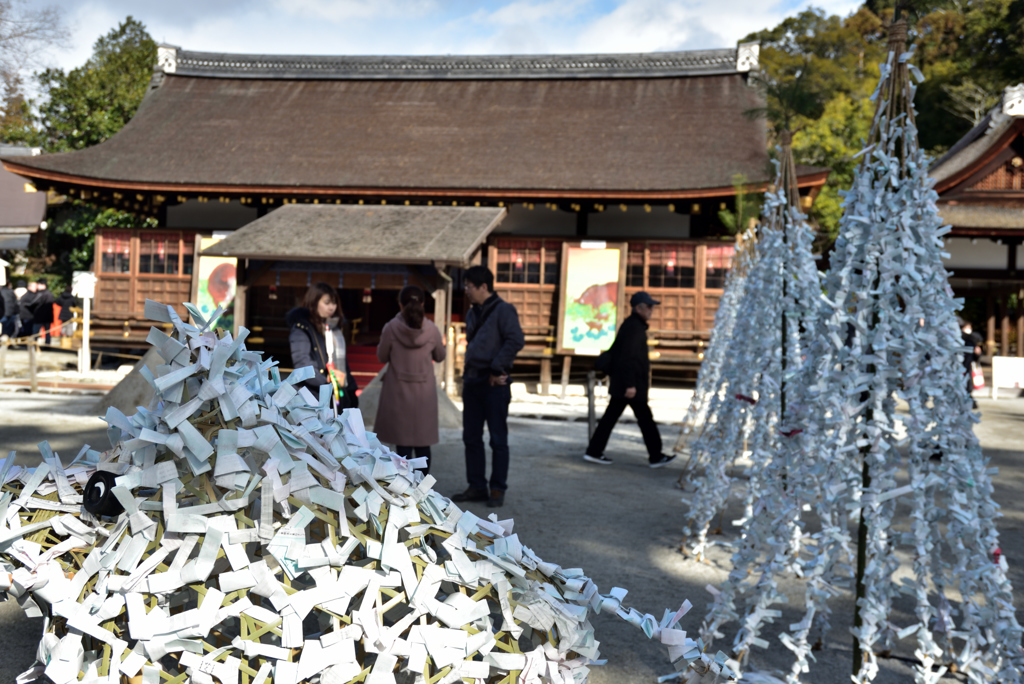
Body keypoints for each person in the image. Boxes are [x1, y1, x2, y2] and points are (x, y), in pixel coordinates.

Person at [452, 265, 524, 508]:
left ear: (484, 287)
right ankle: (476, 486)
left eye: (470, 286)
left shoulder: (504, 310)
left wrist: (497, 369)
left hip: (494, 382)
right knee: (471, 437)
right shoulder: (473, 313)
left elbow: (515, 339)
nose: (467, 291)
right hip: (472, 381)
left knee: (497, 438)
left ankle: (497, 488)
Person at [583, 291, 676, 468]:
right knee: (643, 419)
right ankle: (655, 456)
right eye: (648, 307)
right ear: (637, 308)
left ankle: (594, 451)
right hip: (629, 385)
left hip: (625, 383)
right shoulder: (634, 327)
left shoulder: (634, 326)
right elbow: (628, 358)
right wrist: (631, 384)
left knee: (615, 418)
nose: (651, 310)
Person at [375, 285, 446, 473]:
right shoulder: (431, 330)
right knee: (423, 443)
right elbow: (440, 356)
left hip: (397, 389)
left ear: (400, 304)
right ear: (422, 303)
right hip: (424, 392)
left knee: (402, 443)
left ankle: (403, 489)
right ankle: (422, 487)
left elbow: (382, 357)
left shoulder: (391, 328)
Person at [287, 283, 358, 409]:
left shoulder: (333, 329)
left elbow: (343, 366)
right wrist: (327, 383)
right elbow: (302, 364)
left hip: (334, 395)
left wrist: (351, 390)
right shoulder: (301, 328)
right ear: (314, 302)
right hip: (311, 395)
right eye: (327, 303)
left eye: (334, 303)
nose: (332, 307)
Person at [961, 318, 983, 409]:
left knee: (967, 386)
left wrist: (977, 353)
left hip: (966, 366)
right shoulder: (959, 338)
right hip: (961, 367)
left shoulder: (971, 339)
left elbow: (975, 357)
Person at [32, 278, 55, 344]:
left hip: (40, 316)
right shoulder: (48, 294)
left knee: (36, 332)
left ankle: (34, 345)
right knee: (47, 332)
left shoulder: (42, 294)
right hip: (46, 317)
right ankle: (47, 344)